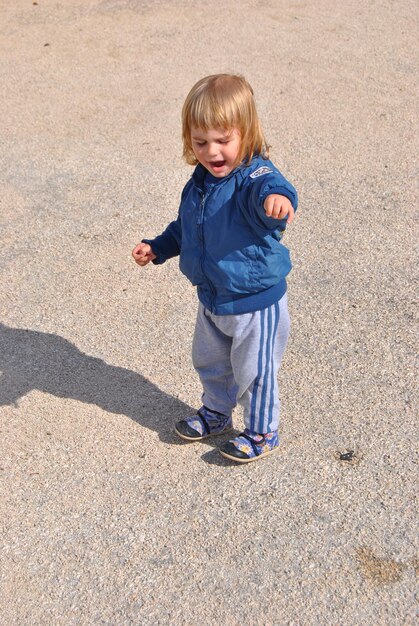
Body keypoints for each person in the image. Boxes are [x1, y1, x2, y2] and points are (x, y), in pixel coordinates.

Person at [132, 74, 298, 463]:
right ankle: (217, 413)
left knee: (254, 371)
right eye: (200, 141)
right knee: (211, 361)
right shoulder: (201, 183)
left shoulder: (255, 177)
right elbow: (186, 229)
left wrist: (277, 201)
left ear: (248, 133)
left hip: (255, 303)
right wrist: (158, 248)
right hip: (212, 298)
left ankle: (261, 431)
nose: (212, 151)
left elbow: (275, 189)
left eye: (224, 140)